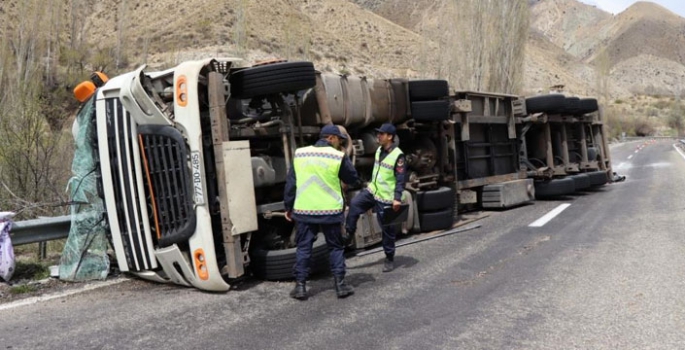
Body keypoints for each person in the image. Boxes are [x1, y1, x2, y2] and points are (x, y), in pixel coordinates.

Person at [284, 124, 360, 300]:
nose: (339, 145)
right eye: (339, 141)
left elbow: (291, 184)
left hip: (304, 210)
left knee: (304, 247)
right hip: (330, 210)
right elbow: (353, 178)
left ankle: (301, 287)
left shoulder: (301, 154)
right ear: (331, 138)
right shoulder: (338, 156)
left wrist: (288, 207)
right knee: (335, 246)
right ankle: (340, 286)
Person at [345, 123, 406, 273]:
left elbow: (400, 179)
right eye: (378, 133)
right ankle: (348, 235)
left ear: (390, 137)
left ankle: (389, 257)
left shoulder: (398, 156)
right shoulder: (379, 150)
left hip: (386, 197)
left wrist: (397, 198)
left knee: (387, 230)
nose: (378, 136)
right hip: (373, 191)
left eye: (381, 134)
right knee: (354, 205)